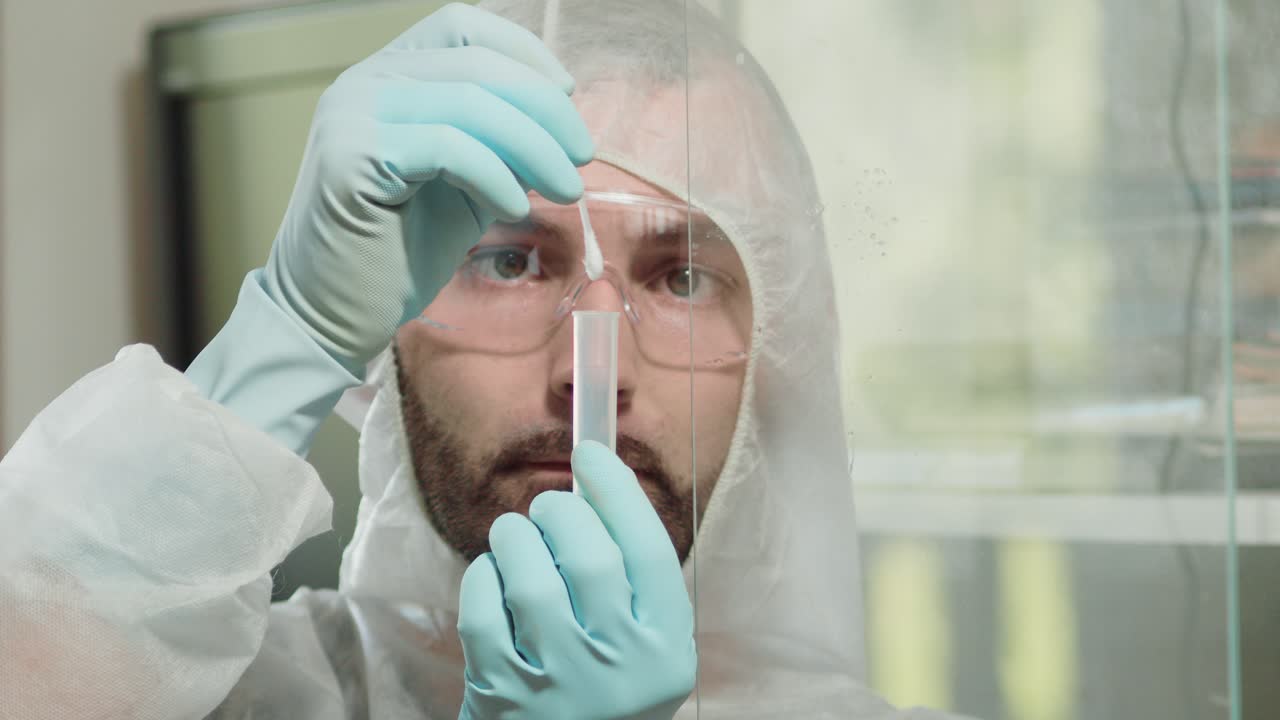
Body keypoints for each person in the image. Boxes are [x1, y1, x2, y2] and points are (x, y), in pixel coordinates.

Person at [0, 1, 970, 718]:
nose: (594, 369)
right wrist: (286, 332)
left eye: (679, 278)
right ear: (381, 331)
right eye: (508, 262)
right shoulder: (225, 698)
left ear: (776, 344)